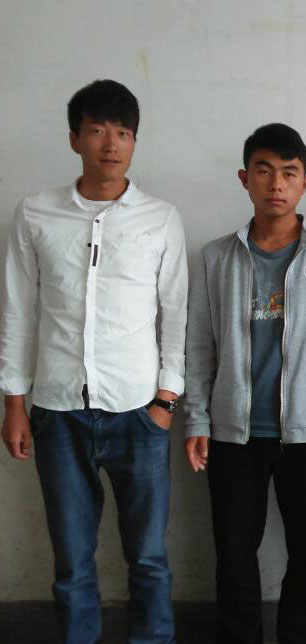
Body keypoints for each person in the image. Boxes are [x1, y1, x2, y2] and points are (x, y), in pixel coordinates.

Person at [0, 79, 187, 643]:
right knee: (72, 561)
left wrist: (166, 400)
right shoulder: (35, 213)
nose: (111, 143)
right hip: (57, 410)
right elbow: (18, 311)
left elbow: (176, 312)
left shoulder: (160, 217)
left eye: (123, 132)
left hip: (139, 411)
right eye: (98, 130)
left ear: (134, 142)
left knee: (148, 557)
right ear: (74, 138)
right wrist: (14, 404)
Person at [183, 123, 306, 644]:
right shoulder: (217, 257)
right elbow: (199, 344)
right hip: (233, 432)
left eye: (289, 173)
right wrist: (196, 418)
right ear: (245, 178)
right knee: (234, 555)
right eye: (264, 171)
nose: (276, 184)